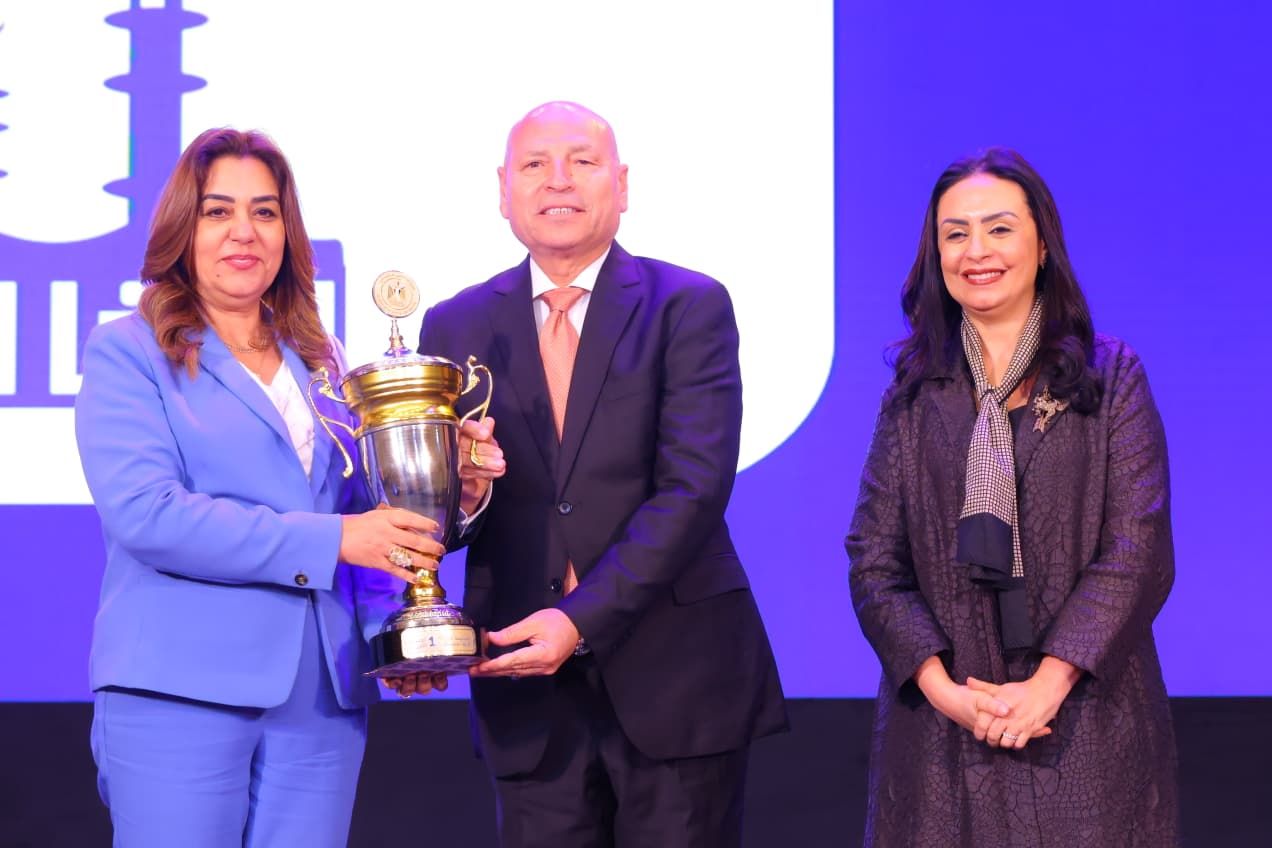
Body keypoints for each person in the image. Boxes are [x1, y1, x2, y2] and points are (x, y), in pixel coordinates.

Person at [408, 101, 787, 847]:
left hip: (675, 676)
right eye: (534, 165)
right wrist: (467, 496)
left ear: (622, 185)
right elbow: (440, 508)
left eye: (582, 162)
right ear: (503, 190)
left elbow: (694, 488)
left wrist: (578, 619)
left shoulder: (688, 305)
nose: (559, 180)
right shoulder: (454, 324)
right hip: (523, 683)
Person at [74, 127, 442, 847]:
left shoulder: (322, 360)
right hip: (180, 688)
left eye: (265, 211)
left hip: (321, 698)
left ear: (286, 231)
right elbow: (148, 514)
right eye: (218, 211)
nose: (244, 231)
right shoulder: (127, 350)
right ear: (183, 228)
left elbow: (360, 518)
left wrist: (390, 635)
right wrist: (335, 541)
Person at [845, 148, 1180, 846]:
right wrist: (945, 692)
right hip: (942, 737)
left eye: (999, 228)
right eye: (955, 233)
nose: (977, 251)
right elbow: (874, 561)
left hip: (1084, 726)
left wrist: (1047, 686)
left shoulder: (1110, 376)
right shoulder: (913, 391)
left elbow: (1137, 550)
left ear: (1042, 244)